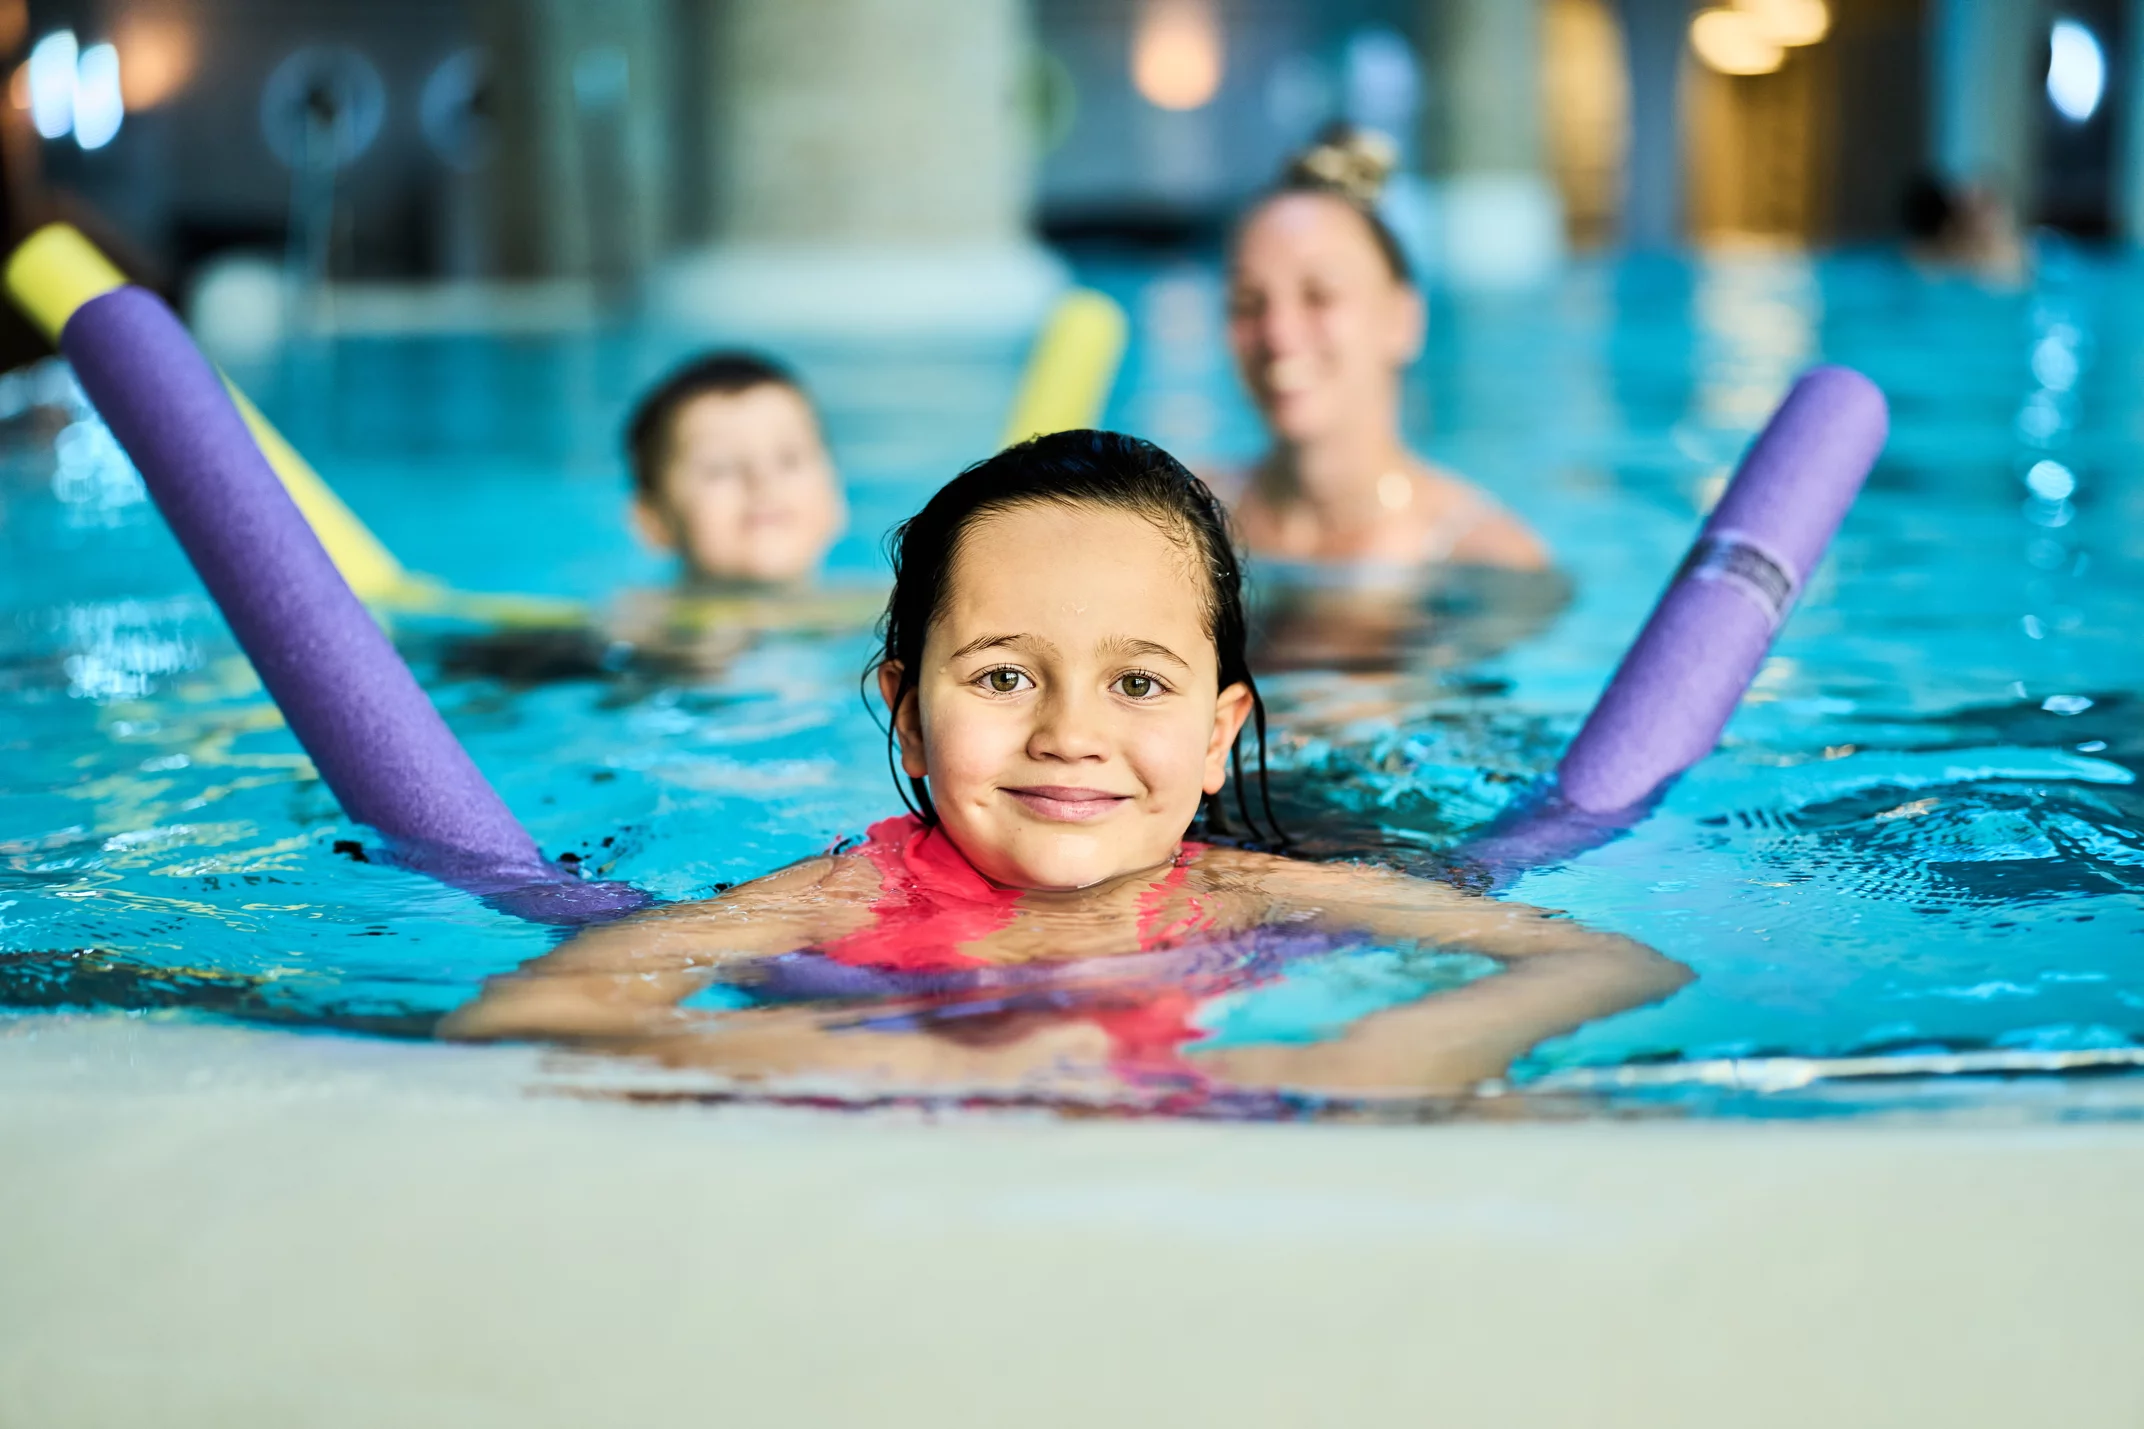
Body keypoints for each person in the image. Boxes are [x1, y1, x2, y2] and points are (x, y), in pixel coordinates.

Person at [444, 431, 1686, 1104]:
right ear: (910, 720)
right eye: (1001, 676)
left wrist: (1382, 1052)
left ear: (1214, 736)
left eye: (1137, 683)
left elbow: (1609, 958)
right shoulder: (848, 899)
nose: (1067, 734)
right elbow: (526, 1015)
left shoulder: (1240, 895)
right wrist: (888, 1059)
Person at [1222, 126, 1549, 575]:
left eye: (1320, 295)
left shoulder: (1488, 561)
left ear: (1402, 320)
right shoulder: (1184, 520)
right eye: (1248, 304)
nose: (1278, 333)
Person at [625, 350, 847, 588]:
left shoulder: (875, 605)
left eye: (789, 459)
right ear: (653, 520)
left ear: (835, 498)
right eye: (720, 468)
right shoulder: (638, 622)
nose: (762, 480)